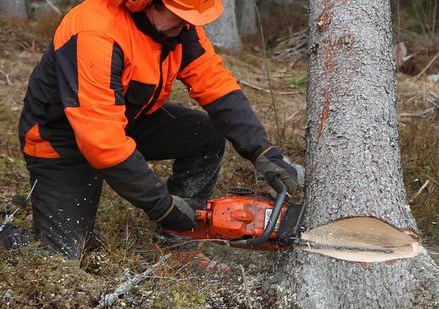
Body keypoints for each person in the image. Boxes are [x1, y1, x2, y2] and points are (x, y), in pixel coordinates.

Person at [17, 0, 300, 259]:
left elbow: (216, 85)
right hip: (60, 142)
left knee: (205, 134)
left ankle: (179, 244)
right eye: (179, 15)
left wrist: (263, 151)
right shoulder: (97, 32)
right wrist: (162, 206)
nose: (186, 23)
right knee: (59, 259)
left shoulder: (180, 30)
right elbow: (102, 142)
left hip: (126, 120)